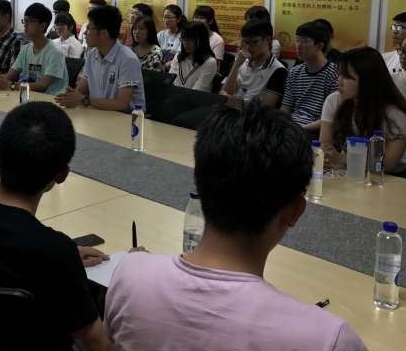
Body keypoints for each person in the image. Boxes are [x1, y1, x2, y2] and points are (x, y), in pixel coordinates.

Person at [104, 103, 367, 351]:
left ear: (197, 181)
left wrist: (138, 265)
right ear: (294, 211)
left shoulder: (129, 276)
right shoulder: (327, 338)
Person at [0, 102, 114, 351]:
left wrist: (65, 264)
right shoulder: (54, 251)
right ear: (62, 175)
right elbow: (100, 344)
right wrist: (133, 276)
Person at [320, 47, 406, 177]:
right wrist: (329, 157)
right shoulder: (335, 100)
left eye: (346, 77)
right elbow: (324, 147)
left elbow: (388, 165)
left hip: (393, 176)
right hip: (350, 170)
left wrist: (343, 158)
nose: (339, 82)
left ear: (367, 80)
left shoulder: (396, 113)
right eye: (340, 75)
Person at [55, 5, 145, 113]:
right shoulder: (92, 55)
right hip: (98, 114)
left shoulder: (128, 59)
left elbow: (121, 104)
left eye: (89, 28)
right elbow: (81, 91)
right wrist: (71, 97)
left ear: (103, 33)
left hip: (127, 120)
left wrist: (84, 100)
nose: (84, 33)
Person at [0, 3, 68, 95]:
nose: (25, 25)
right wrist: (0, 81)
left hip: (51, 99)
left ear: (43, 25)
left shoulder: (55, 52)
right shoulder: (26, 49)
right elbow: (9, 76)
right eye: (25, 20)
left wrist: (11, 85)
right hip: (28, 96)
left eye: (30, 21)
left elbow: (43, 86)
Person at [280, 21, 338, 131]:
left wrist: (301, 129)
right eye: (297, 40)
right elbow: (285, 108)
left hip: (316, 129)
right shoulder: (295, 72)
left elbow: (332, 117)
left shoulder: (334, 73)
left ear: (319, 46)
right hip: (292, 126)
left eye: (304, 41)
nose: (298, 46)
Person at [220, 19, 287, 108]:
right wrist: (236, 65)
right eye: (245, 42)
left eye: (253, 42)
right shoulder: (240, 60)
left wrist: (235, 101)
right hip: (229, 111)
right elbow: (226, 93)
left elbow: (265, 108)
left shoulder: (279, 71)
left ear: (267, 40)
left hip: (252, 115)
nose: (248, 47)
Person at [168, 21, 217, 92]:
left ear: (202, 39)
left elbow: (198, 90)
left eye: (190, 39)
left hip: (196, 98)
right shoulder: (179, 56)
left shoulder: (209, 62)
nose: (185, 43)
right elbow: (170, 79)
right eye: (183, 39)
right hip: (175, 96)